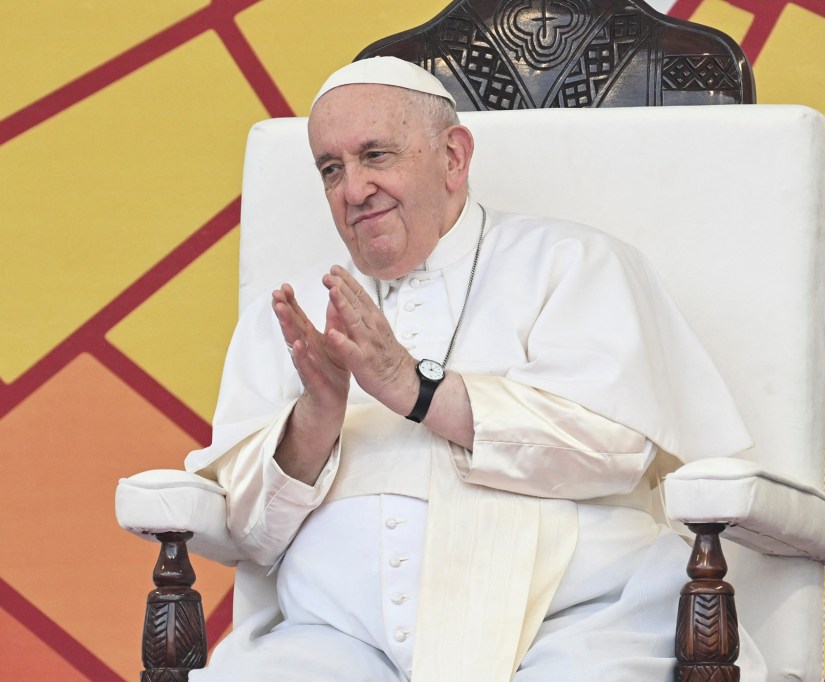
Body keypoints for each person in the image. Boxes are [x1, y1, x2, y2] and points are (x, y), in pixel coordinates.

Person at [186, 57, 766, 681]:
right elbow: (248, 531)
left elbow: (614, 447)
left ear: (454, 159)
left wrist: (419, 391)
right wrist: (314, 420)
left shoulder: (574, 263)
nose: (353, 190)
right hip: (332, 641)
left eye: (376, 155)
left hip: (578, 625)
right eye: (332, 169)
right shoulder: (293, 312)